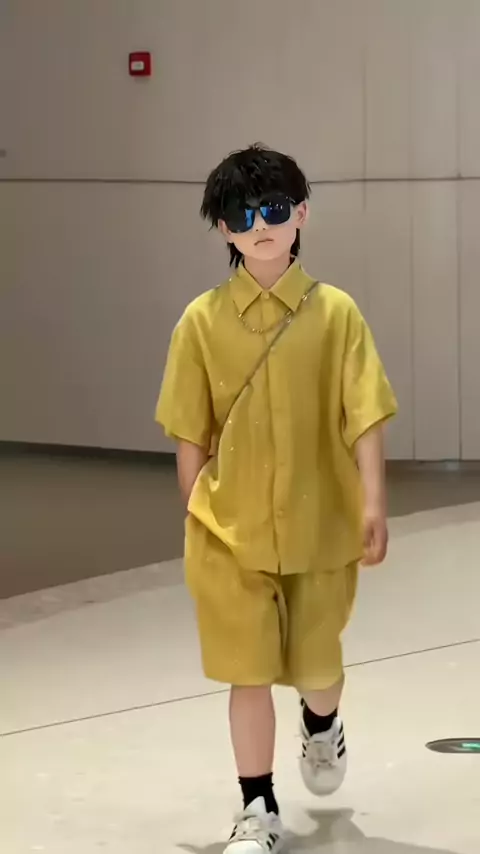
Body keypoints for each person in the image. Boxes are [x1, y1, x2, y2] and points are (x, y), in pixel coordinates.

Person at [156, 144, 398, 854]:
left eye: (274, 209)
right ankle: (256, 806)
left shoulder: (337, 314)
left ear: (301, 215)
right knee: (248, 670)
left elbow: (365, 413)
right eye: (241, 214)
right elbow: (189, 427)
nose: (259, 225)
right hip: (229, 533)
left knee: (318, 669)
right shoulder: (200, 322)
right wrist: (196, 506)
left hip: (321, 525)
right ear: (223, 229)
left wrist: (373, 502)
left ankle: (322, 723)